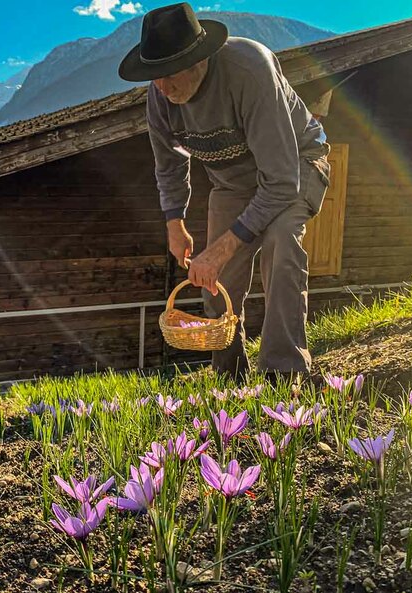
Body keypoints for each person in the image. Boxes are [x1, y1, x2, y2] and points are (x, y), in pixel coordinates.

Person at [118, 2, 331, 383]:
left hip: (296, 166)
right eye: (154, 76)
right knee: (213, 279)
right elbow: (168, 165)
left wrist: (220, 249)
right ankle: (229, 376)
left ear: (198, 59)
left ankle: (284, 372)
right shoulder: (160, 97)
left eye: (168, 74)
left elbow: (281, 183)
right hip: (232, 184)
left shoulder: (249, 70)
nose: (163, 87)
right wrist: (174, 222)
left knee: (281, 243)